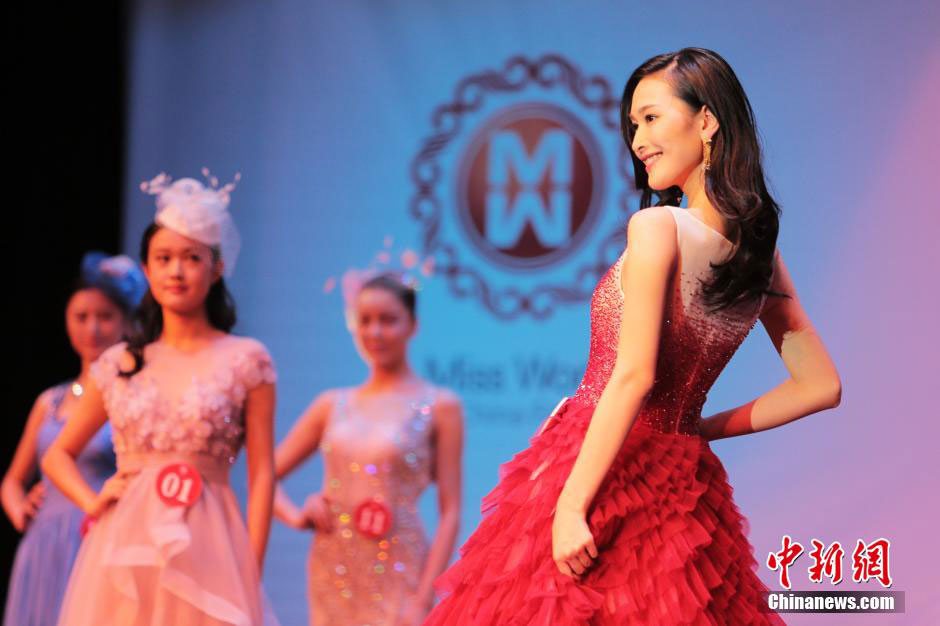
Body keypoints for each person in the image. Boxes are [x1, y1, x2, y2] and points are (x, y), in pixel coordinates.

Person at [423, 47, 841, 624]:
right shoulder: (760, 256)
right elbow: (819, 385)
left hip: (601, 468)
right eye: (632, 125)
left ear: (707, 120)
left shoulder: (656, 225)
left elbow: (635, 374)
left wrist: (570, 505)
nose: (637, 138)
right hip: (682, 484)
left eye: (650, 117)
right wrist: (698, 429)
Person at [42, 170, 281, 625]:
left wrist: (251, 566)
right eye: (163, 257)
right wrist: (94, 503)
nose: (175, 270)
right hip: (123, 548)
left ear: (217, 267)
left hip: (212, 547)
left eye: (191, 257)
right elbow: (58, 455)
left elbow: (263, 474)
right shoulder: (118, 364)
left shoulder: (248, 360)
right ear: (147, 268)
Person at [274, 271, 464, 626]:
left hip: (401, 570)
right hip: (333, 565)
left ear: (413, 325)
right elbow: (263, 478)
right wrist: (298, 515)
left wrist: (425, 597)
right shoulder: (332, 404)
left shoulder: (440, 405)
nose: (375, 332)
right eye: (365, 321)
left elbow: (451, 511)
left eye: (388, 320)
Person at [2, 252, 145, 626]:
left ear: (127, 323)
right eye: (81, 317)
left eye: (105, 317)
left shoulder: (129, 397)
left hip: (98, 537)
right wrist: (22, 512)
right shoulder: (50, 402)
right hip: (44, 544)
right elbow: (13, 480)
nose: (92, 329)